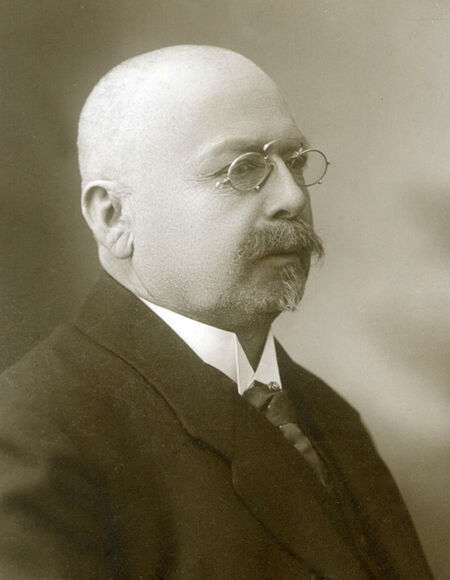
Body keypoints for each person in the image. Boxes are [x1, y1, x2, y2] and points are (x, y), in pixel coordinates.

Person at [0, 45, 432, 579]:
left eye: (295, 161)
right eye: (243, 169)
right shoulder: (32, 437)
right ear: (113, 217)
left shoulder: (328, 415)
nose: (292, 197)